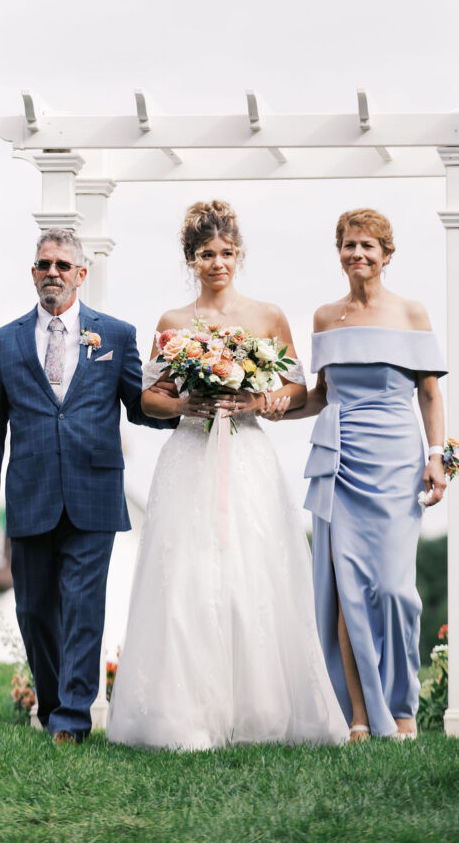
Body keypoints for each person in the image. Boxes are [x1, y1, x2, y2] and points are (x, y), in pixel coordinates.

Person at [105, 201, 349, 749]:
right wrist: (188, 402)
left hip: (246, 457)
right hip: (191, 455)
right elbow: (149, 400)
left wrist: (259, 398)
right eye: (206, 254)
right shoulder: (173, 323)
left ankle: (259, 713)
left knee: (252, 572)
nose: (218, 262)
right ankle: (183, 717)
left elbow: (300, 391)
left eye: (227, 253)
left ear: (239, 255)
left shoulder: (267, 317)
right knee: (186, 576)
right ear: (191, 259)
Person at [0, 228, 176, 744]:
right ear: (33, 274)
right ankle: (54, 703)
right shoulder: (4, 342)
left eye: (63, 265)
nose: (52, 273)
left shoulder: (118, 335)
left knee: (84, 606)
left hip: (95, 491)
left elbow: (139, 405)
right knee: (34, 609)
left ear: (82, 274)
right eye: (44, 265)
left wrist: (183, 407)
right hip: (30, 494)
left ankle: (71, 722)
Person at [273, 208, 447, 741]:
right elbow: (320, 395)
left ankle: (401, 708)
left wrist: (437, 455)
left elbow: (430, 393)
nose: (359, 254)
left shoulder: (412, 313)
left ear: (387, 255)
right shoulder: (325, 318)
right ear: (340, 252)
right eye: (350, 245)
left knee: (394, 589)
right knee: (347, 591)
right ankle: (358, 715)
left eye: (369, 246)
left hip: (397, 458)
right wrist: (267, 403)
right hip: (340, 457)